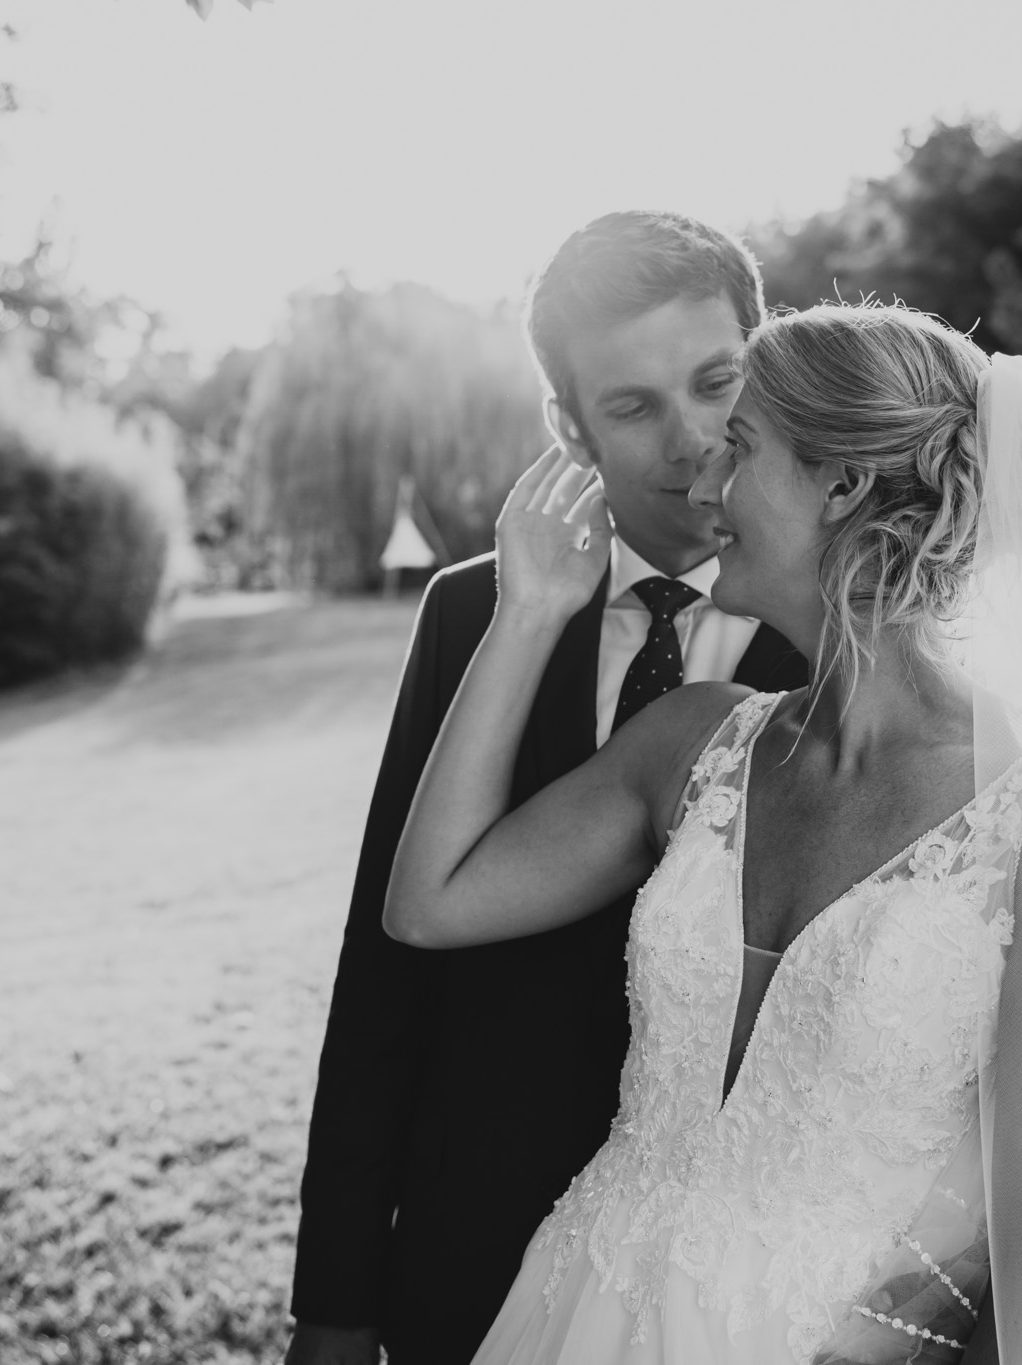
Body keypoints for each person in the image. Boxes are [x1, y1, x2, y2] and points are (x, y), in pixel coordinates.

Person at [385, 302, 1022, 1364]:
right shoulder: (690, 741)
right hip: (577, 1314)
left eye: (741, 447)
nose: (703, 482)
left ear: (843, 485)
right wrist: (525, 612)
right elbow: (430, 902)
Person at [287, 212, 810, 1365]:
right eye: (631, 407)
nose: (691, 443)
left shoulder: (845, 628)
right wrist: (331, 1300)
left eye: (717, 382)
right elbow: (385, 972)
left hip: (724, 1282)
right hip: (471, 1243)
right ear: (566, 426)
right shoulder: (469, 613)